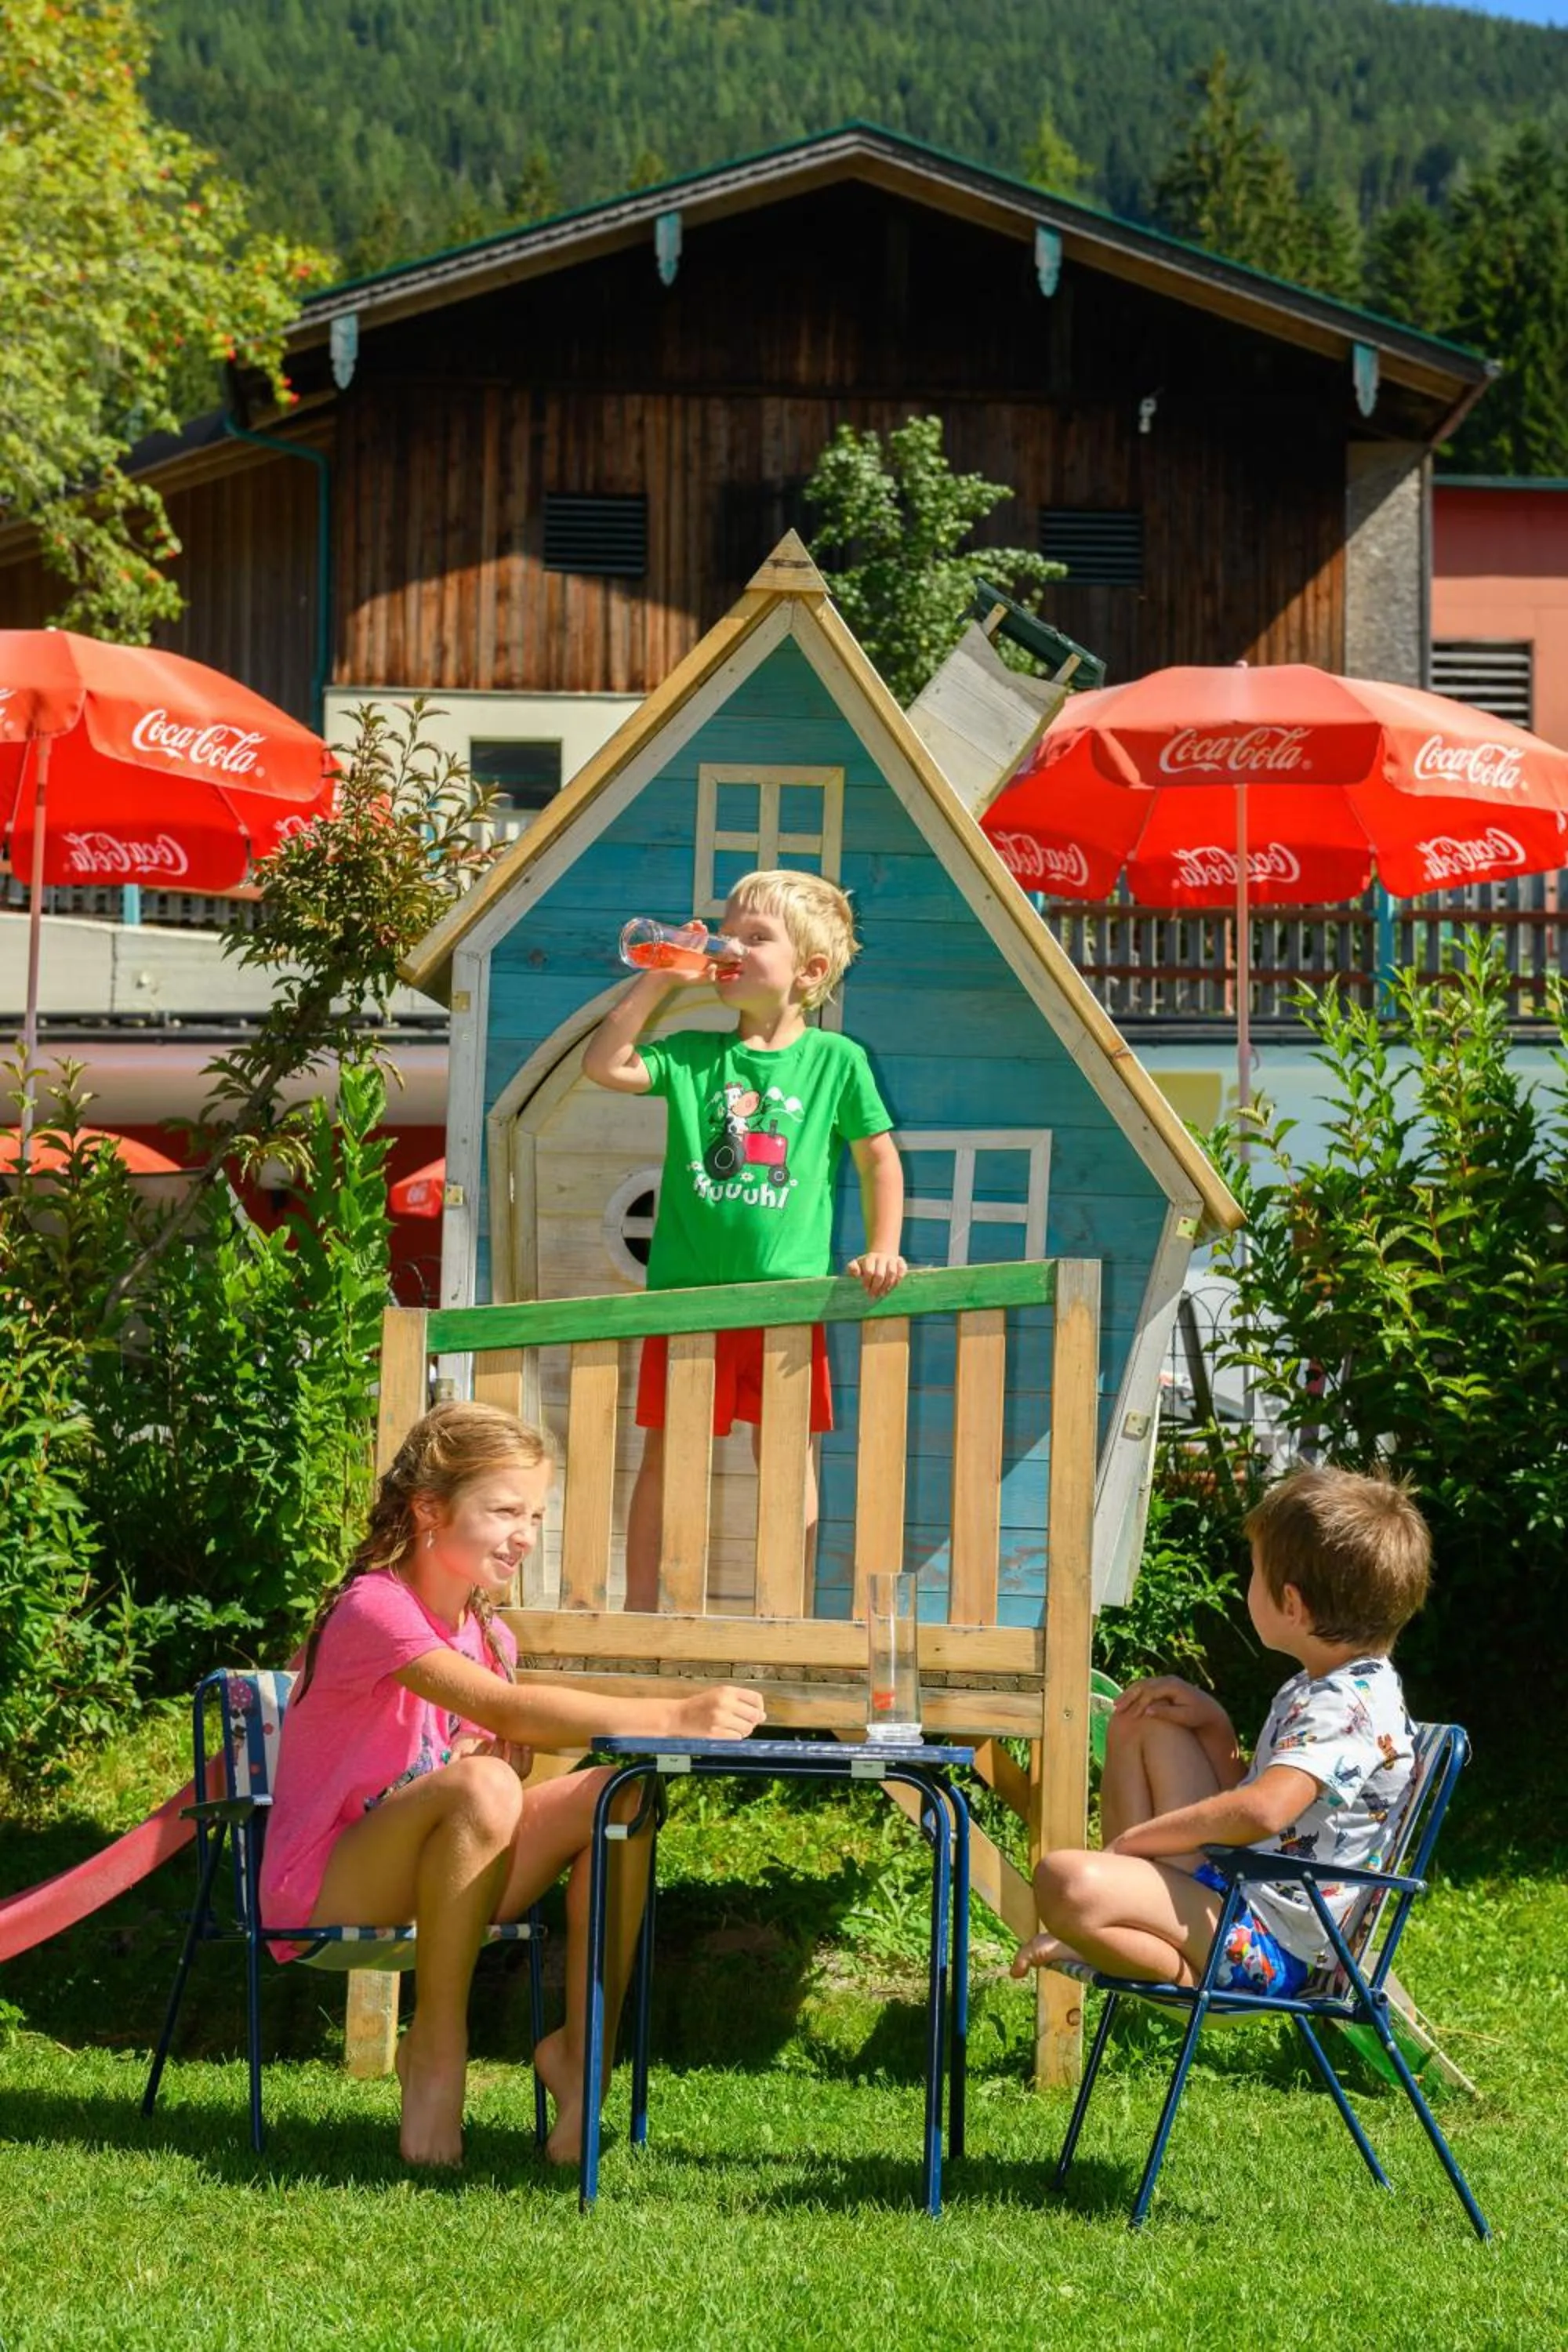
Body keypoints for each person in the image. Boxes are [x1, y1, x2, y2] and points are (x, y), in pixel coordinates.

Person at [258, 1400, 764, 2169]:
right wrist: (675, 1713)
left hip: (438, 1871)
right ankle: (434, 2049)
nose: (524, 1535)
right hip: (325, 1885)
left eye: (534, 1513)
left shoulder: (489, 1632)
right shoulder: (373, 1607)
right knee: (488, 1786)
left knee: (618, 1796)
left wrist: (495, 1765)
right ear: (429, 1509)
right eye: (502, 1511)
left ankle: (583, 2053)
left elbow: (490, 1742)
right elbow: (501, 1710)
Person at [583, 869, 906, 1610]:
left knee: (789, 1462)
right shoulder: (697, 1055)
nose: (731, 946)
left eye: (756, 937)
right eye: (729, 930)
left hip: (787, 1305)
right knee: (668, 1458)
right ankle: (640, 1613)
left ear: (810, 971)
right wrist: (664, 976)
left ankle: (782, 1612)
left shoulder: (836, 1061)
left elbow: (877, 1157)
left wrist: (883, 1245)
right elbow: (606, 1065)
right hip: (687, 1303)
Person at [1011, 1465, 1432, 1995]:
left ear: (1292, 1604)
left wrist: (1135, 1842)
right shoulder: (1333, 1686)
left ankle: (1126, 1944)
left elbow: (1261, 1810)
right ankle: (1117, 1918)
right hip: (1239, 1896)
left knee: (1064, 1881)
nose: (1246, 1582)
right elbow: (1272, 1818)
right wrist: (1214, 1725)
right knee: (1145, 1721)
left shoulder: (1343, 1707)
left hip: (1265, 1944)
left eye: (1253, 1571)